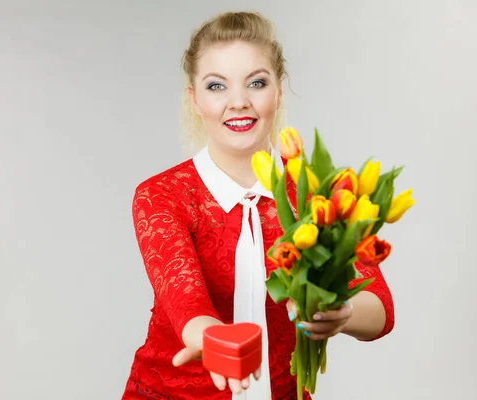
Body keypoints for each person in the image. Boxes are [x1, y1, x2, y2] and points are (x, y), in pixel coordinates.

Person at [121, 10, 394, 400]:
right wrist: (214, 340)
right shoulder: (162, 194)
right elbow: (186, 303)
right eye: (217, 86)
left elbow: (380, 307)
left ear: (278, 90)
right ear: (194, 98)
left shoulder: (319, 192)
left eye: (257, 83)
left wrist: (341, 313)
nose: (238, 102)